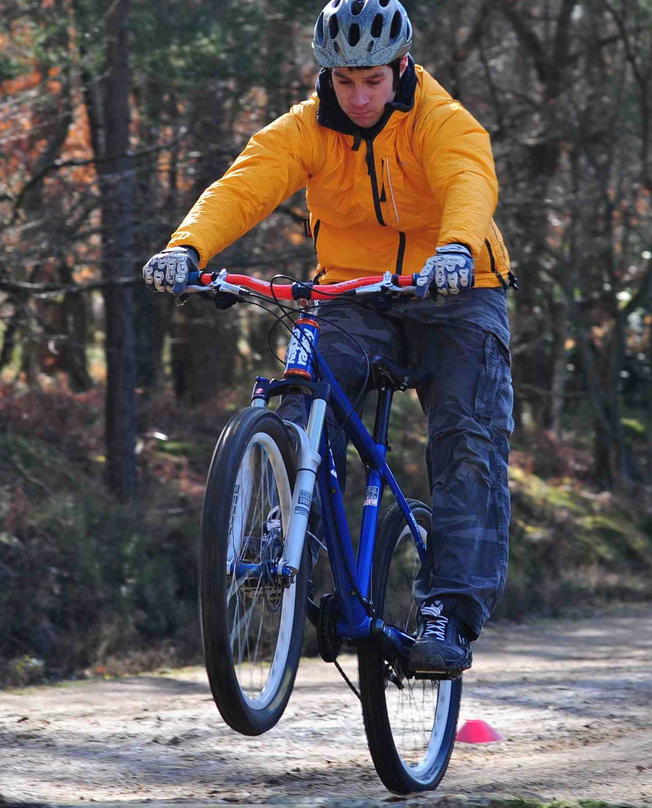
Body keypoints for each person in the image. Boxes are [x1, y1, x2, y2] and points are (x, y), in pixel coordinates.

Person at [142, 0, 514, 679]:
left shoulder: (442, 120)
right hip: (355, 295)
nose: (361, 95)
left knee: (467, 437)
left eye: (373, 79)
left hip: (458, 291)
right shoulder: (304, 129)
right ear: (327, 77)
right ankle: (279, 548)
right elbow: (246, 185)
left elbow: (469, 179)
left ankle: (449, 613)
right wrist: (187, 247)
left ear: (401, 67)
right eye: (345, 81)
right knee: (302, 389)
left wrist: (456, 249)